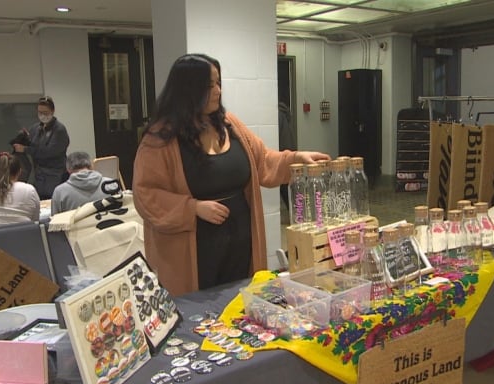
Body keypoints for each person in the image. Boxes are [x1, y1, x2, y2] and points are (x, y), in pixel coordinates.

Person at [133, 53, 330, 296]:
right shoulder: (160, 139)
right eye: (209, 85)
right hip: (194, 253)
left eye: (218, 83)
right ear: (188, 90)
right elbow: (145, 195)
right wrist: (192, 208)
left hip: (240, 244)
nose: (217, 91)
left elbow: (263, 160)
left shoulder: (229, 125)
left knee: (240, 306)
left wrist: (295, 159)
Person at [12, 96, 70, 200]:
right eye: (40, 112)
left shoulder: (59, 130)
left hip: (55, 175)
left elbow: (49, 152)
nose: (42, 115)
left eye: (45, 112)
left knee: (54, 201)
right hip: (39, 176)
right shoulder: (35, 128)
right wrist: (24, 138)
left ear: (52, 111)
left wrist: (25, 149)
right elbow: (32, 144)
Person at [51, 151, 115, 214]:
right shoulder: (111, 183)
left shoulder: (60, 192)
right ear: (91, 166)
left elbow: (55, 221)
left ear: (68, 169)